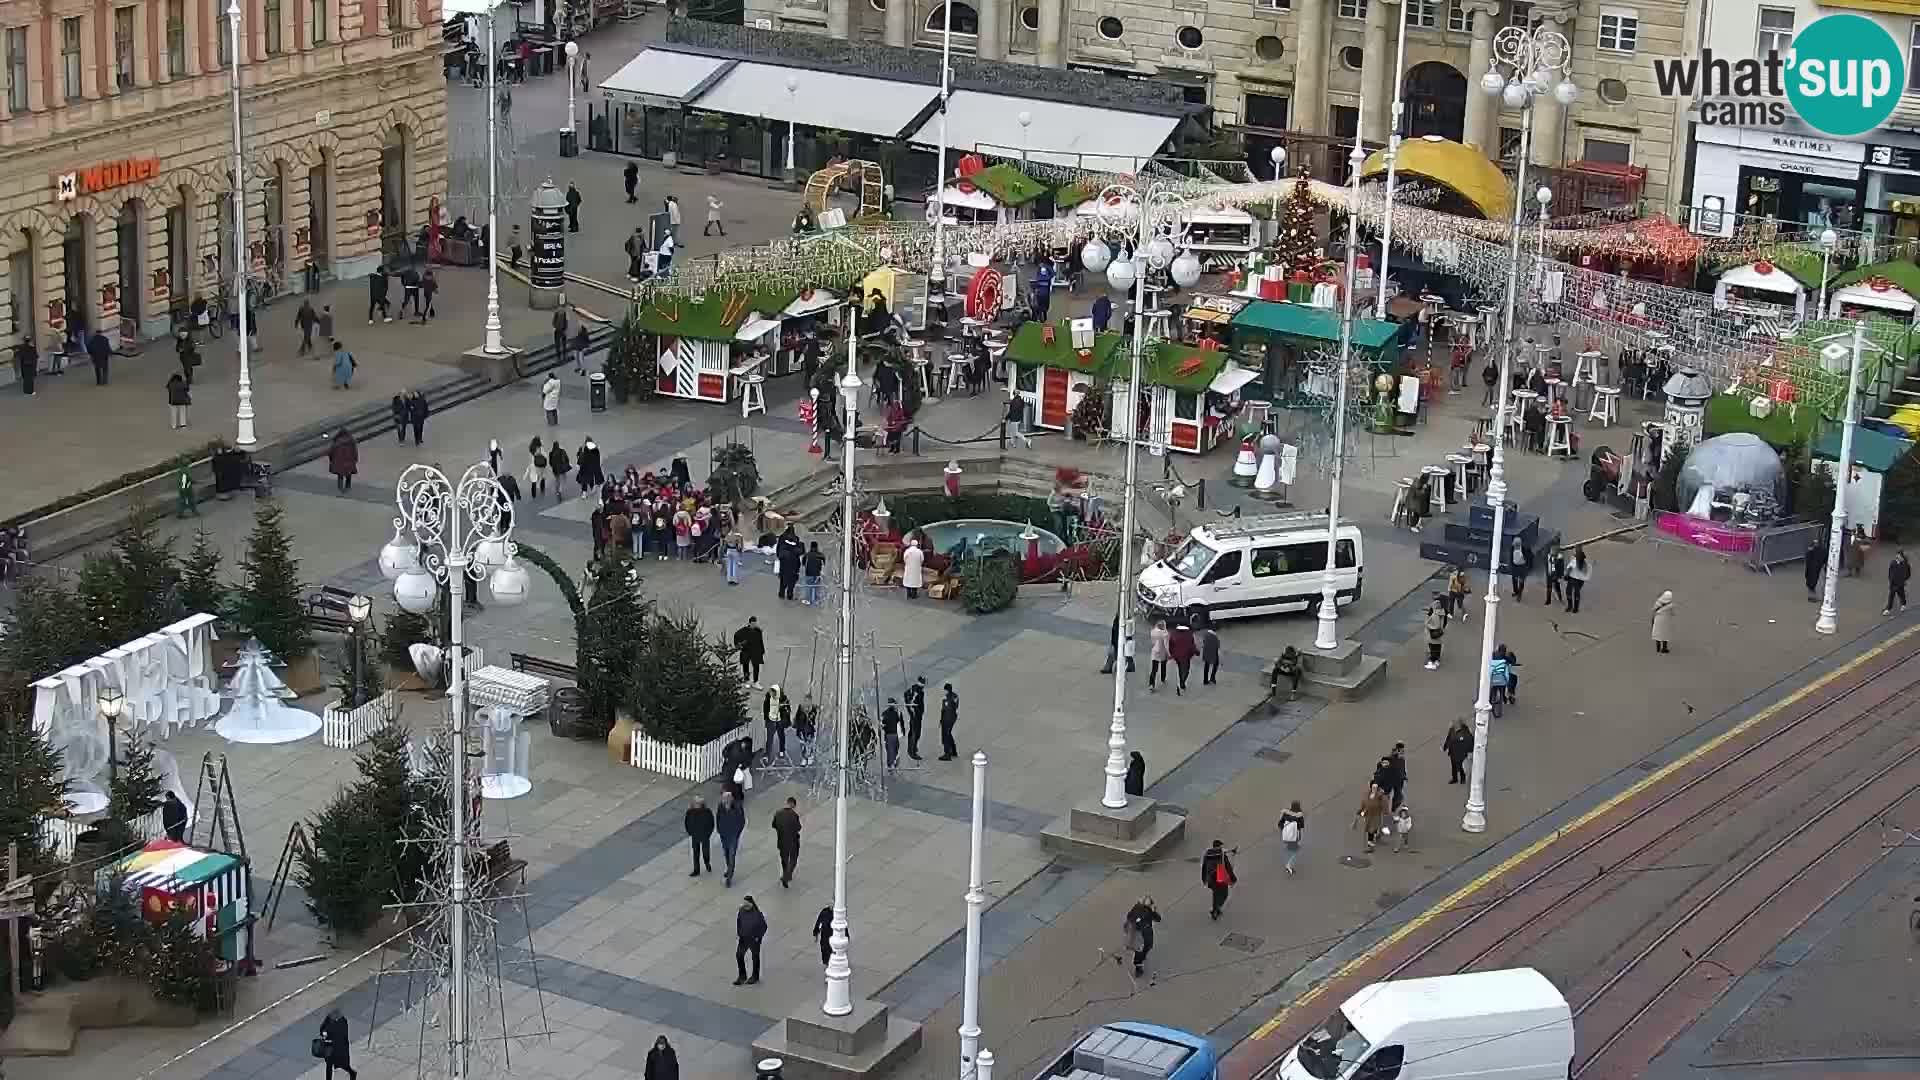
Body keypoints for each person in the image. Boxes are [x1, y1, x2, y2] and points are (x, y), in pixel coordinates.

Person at [1122, 897, 1160, 977]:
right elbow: (1130, 916)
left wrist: (1153, 912)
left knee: (1148, 946)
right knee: (1139, 949)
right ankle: (1138, 966)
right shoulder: (1137, 908)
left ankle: (1141, 958)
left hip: (1147, 932)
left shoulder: (1149, 910)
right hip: (1139, 933)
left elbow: (1158, 919)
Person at [734, 896, 766, 985]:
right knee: (739, 955)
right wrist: (739, 933)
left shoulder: (757, 915)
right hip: (743, 939)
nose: (745, 906)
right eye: (744, 904)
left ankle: (755, 976)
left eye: (747, 904)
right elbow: (739, 922)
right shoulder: (741, 912)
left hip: (754, 940)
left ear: (751, 905)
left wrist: (758, 937)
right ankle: (742, 976)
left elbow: (764, 927)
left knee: (755, 958)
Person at [715, 790, 746, 887]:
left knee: (732, 855)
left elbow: (742, 821)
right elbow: (718, 818)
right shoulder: (721, 806)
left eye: (727, 799)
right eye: (724, 799)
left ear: (731, 799)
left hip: (733, 835)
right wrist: (719, 829)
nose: (726, 801)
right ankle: (729, 868)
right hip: (724, 834)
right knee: (727, 854)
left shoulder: (737, 807)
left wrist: (737, 833)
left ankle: (729, 877)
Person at [1201, 840, 1236, 920]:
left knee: (1216, 893)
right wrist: (1233, 878)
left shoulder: (1207, 853)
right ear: (1219, 846)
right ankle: (1217, 908)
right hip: (1220, 873)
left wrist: (1204, 879)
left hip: (1211, 875)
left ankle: (1215, 910)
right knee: (1225, 893)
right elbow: (1228, 867)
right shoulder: (1222, 853)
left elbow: (1204, 866)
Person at [771, 796, 802, 887]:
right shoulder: (794, 815)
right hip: (793, 842)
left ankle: (785, 874)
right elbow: (798, 828)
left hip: (781, 841)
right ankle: (786, 876)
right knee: (793, 860)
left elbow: (774, 825)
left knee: (784, 860)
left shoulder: (778, 813)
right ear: (793, 805)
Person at [319, 1007, 357, 1079]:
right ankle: (351, 1073)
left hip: (339, 1048)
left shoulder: (342, 1022)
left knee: (343, 1065)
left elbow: (343, 1036)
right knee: (329, 1066)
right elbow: (322, 1028)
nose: (332, 1015)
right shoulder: (328, 1019)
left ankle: (352, 1073)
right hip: (330, 1047)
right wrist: (324, 1034)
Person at [684, 795, 715, 877]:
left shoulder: (707, 812)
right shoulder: (690, 812)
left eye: (698, 803)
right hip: (695, 835)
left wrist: (708, 834)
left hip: (704, 835)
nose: (696, 804)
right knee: (695, 853)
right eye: (695, 803)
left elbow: (711, 823)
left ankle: (707, 863)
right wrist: (690, 832)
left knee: (705, 852)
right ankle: (696, 870)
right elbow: (687, 823)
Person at [1355, 784, 1388, 853]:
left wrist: (1385, 811)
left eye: (1375, 787)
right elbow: (1364, 803)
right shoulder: (1367, 794)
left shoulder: (1380, 796)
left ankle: (1370, 845)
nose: (1374, 789)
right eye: (1373, 787)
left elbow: (1384, 805)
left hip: (1376, 816)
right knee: (1371, 830)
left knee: (1371, 830)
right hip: (1368, 816)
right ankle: (1373, 840)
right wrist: (1360, 811)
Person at [733, 616, 766, 686]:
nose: (754, 625)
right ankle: (746, 681)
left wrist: (762, 650)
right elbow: (736, 635)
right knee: (746, 666)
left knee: (756, 666)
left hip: (756, 651)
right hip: (746, 651)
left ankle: (756, 682)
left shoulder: (758, 631)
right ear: (749, 623)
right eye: (752, 623)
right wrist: (738, 646)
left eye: (755, 623)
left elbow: (760, 641)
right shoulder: (744, 630)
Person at [901, 675, 928, 760]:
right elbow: (911, 702)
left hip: (915, 715)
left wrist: (909, 709)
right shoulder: (918, 691)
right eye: (924, 682)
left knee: (913, 732)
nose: (924, 684)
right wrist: (911, 710)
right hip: (916, 715)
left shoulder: (914, 688)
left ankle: (912, 748)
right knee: (916, 733)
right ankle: (912, 751)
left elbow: (905, 694)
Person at [1168, 622, 1197, 695]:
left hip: (1177, 656)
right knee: (1186, 671)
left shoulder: (1173, 634)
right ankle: (1182, 682)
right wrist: (1196, 652)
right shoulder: (1189, 635)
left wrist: (1172, 654)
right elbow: (1192, 646)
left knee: (1180, 669)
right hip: (1186, 656)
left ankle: (1181, 681)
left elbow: (1170, 645)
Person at [776, 526, 804, 600]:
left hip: (785, 564)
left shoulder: (782, 540)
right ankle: (789, 594)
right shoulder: (796, 539)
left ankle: (782, 594)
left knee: (783, 580)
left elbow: (779, 552)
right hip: (793, 564)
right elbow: (800, 551)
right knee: (791, 581)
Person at [1278, 800, 1306, 874]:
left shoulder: (1285, 813)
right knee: (1296, 850)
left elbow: (1280, 824)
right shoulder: (1299, 816)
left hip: (1286, 836)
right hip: (1294, 837)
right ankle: (1288, 865)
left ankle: (1288, 859)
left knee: (1290, 847)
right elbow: (1301, 827)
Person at [1444, 719, 1474, 784]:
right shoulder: (1452, 730)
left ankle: (1463, 779)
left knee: (1460, 766)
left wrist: (1470, 750)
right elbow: (1448, 739)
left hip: (1461, 752)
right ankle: (1455, 779)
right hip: (1453, 752)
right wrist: (1445, 747)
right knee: (1454, 766)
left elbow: (1470, 740)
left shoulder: (1465, 731)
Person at [1564, 546, 1590, 613]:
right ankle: (1574, 608)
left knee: (1570, 592)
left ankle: (1571, 607)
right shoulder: (1584, 558)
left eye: (1577, 549)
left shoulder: (1575, 558)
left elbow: (1570, 568)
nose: (1576, 550)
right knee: (1574, 592)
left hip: (1575, 577)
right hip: (1579, 578)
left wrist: (1566, 575)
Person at [937, 683, 960, 760]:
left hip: (947, 718)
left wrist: (941, 719)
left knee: (945, 735)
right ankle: (954, 751)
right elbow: (956, 706)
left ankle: (947, 754)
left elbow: (944, 710)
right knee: (949, 733)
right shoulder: (955, 696)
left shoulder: (946, 698)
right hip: (953, 717)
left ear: (946, 690)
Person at [880, 697, 903, 769]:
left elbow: (882, 725)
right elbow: (897, 721)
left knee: (892, 750)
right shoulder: (893, 713)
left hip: (891, 734)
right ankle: (891, 765)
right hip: (890, 735)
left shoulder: (886, 713)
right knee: (891, 750)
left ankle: (892, 764)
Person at [1147, 619, 1170, 692]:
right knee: (1163, 665)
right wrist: (1168, 653)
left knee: (1154, 669)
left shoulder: (1153, 631)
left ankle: (1151, 684)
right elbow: (1166, 645)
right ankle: (1163, 678)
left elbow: (1152, 642)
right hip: (1162, 651)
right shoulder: (1165, 634)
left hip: (1155, 651)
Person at [1424, 598, 1446, 670]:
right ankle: (1437, 661)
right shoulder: (1442, 613)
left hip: (1433, 634)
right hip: (1439, 634)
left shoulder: (1434, 615)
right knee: (1438, 648)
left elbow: (1428, 624)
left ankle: (1432, 663)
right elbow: (1443, 624)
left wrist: (1427, 617)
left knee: (1432, 648)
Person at [1887, 550, 1911, 615]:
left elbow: (1908, 573)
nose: (1899, 557)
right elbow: (1890, 572)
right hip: (1893, 583)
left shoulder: (1905, 564)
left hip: (1900, 583)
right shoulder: (1893, 563)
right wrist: (1890, 579)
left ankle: (1903, 605)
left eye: (1900, 556)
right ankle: (1888, 609)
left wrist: (1904, 580)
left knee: (1901, 594)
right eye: (1898, 555)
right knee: (1891, 596)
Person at [1651, 589, 1675, 653]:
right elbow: (1672, 613)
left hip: (1657, 619)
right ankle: (1664, 649)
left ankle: (1658, 648)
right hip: (1666, 622)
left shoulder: (1658, 602)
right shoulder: (1671, 605)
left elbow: (1653, 609)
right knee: (1665, 634)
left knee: (1658, 634)